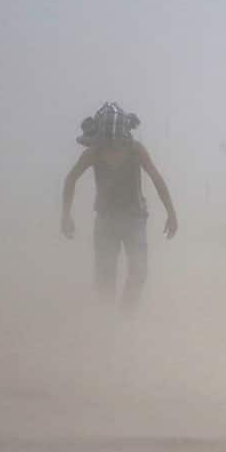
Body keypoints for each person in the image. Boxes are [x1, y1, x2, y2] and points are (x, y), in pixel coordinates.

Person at [61, 103, 178, 311]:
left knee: (139, 271)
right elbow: (71, 179)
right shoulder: (93, 153)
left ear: (124, 136)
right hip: (106, 219)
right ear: (102, 138)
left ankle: (126, 314)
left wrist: (171, 213)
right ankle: (105, 319)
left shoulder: (136, 151)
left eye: (117, 141)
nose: (114, 146)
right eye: (109, 142)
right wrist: (66, 215)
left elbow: (157, 179)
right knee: (105, 272)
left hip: (135, 219)